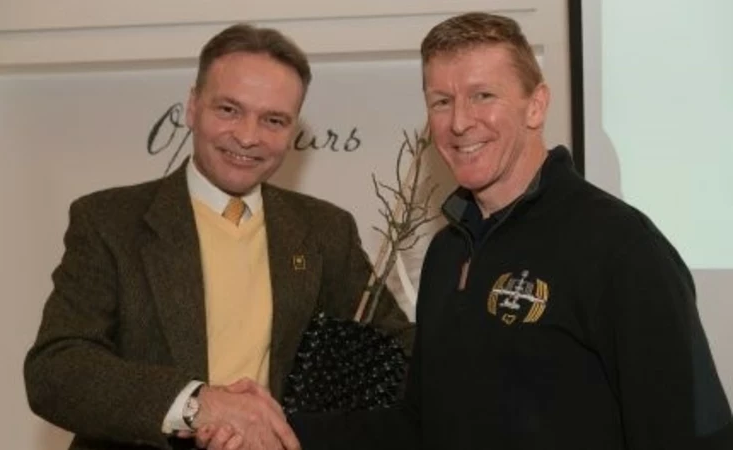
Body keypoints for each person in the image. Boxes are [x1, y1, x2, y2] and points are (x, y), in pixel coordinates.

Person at [286, 11, 733, 450]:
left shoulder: (620, 246)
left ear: (535, 105)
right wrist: (283, 432)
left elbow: (691, 436)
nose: (460, 122)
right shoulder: (447, 251)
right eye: (442, 101)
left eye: (483, 96)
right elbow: (422, 425)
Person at [23, 23, 413, 450]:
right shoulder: (108, 221)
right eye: (229, 109)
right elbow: (56, 371)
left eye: (273, 120)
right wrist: (196, 403)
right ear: (192, 106)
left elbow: (395, 355)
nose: (248, 136)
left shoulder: (325, 230)